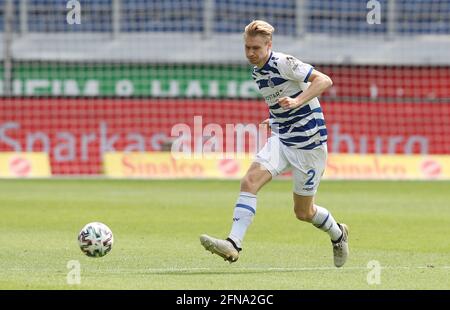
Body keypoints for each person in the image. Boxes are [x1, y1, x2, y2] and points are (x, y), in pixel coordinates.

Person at [200, 20, 349, 267]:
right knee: (249, 181)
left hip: (309, 147)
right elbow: (282, 101)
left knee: (303, 212)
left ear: (269, 45)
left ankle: (338, 234)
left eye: (256, 48)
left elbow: (324, 81)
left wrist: (297, 101)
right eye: (247, 47)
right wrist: (277, 117)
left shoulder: (284, 62)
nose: (250, 53)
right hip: (282, 137)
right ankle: (233, 244)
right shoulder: (257, 71)